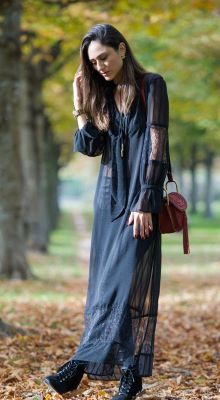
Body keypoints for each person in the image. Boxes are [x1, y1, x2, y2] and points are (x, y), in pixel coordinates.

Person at [44, 23, 170, 400]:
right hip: (108, 205)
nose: (100, 66)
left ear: (122, 50)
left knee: (120, 286)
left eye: (104, 57)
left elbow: (157, 145)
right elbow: (89, 147)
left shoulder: (152, 85)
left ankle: (78, 366)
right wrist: (80, 104)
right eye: (93, 62)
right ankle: (130, 376)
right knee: (106, 291)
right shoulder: (101, 95)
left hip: (138, 202)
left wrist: (146, 201)